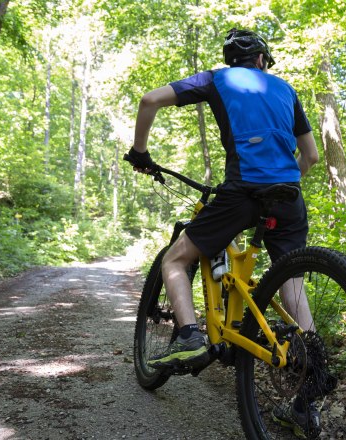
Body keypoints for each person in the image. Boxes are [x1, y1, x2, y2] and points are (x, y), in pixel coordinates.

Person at [126, 28, 321, 437]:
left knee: (175, 259)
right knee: (291, 279)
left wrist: (140, 152)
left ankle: (191, 335)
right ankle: (310, 379)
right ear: (263, 60)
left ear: (231, 60)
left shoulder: (217, 78)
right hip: (289, 195)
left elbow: (149, 100)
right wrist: (281, 185)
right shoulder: (286, 88)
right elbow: (311, 155)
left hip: (243, 189)